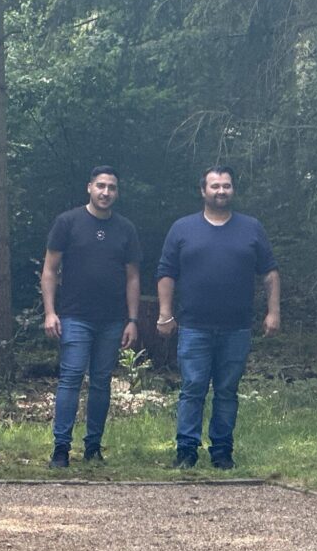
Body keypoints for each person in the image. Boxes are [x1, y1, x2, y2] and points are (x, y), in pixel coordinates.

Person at [156, 166, 280, 469]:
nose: (220, 191)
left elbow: (270, 273)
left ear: (232, 190)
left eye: (226, 186)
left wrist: (273, 312)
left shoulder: (251, 228)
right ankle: (186, 450)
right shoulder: (183, 228)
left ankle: (222, 452)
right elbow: (166, 273)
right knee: (192, 388)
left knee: (227, 390)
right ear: (203, 191)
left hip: (236, 326)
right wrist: (164, 314)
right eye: (215, 186)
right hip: (193, 325)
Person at [41, 166, 142, 468]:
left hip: (112, 320)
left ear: (117, 192)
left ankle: (93, 447)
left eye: (111, 187)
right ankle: (61, 449)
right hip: (74, 316)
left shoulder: (126, 229)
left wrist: (133, 320)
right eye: (100, 186)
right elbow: (49, 270)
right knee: (71, 378)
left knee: (101, 382)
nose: (105, 192)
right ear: (89, 187)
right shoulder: (68, 222)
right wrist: (50, 312)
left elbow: (133, 277)